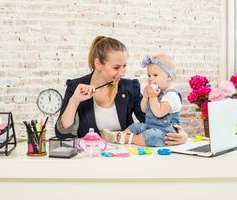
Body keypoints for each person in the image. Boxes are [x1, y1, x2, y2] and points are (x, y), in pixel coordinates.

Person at [55, 36, 187, 146]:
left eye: (124, 66)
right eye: (116, 67)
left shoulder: (130, 87)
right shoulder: (76, 86)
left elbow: (150, 121)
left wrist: (180, 134)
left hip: (126, 157)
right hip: (92, 156)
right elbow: (62, 133)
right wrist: (75, 100)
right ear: (98, 64)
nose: (122, 72)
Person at [101, 54, 183, 147]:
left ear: (168, 76)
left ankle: (125, 138)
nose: (150, 79)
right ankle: (120, 136)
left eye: (155, 75)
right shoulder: (157, 93)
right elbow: (144, 109)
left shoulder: (171, 95)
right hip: (151, 126)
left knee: (151, 136)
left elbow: (159, 113)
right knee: (137, 126)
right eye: (149, 75)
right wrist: (145, 97)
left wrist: (152, 97)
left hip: (166, 132)